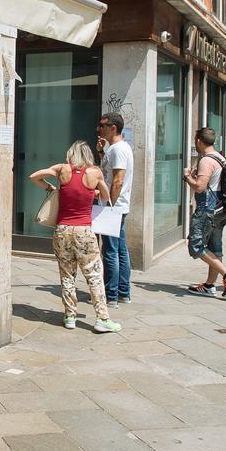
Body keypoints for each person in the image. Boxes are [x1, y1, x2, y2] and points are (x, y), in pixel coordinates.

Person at [29, 141, 121, 333]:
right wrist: (94, 191)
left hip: (62, 230)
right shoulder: (94, 172)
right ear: (88, 155)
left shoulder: (62, 169)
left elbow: (34, 177)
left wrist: (50, 188)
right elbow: (105, 197)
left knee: (67, 274)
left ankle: (70, 316)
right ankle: (102, 318)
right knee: (94, 275)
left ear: (70, 153)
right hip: (84, 231)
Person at [184, 128, 226, 298]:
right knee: (215, 247)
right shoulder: (221, 157)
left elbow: (200, 187)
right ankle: (210, 285)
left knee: (195, 245)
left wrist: (187, 177)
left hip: (207, 209)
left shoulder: (206, 161)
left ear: (199, 141)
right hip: (221, 207)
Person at [97, 112, 134, 306]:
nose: (99, 129)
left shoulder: (119, 149)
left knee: (111, 251)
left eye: (103, 125)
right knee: (120, 249)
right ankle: (123, 292)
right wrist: (102, 153)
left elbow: (117, 180)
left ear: (113, 128)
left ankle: (111, 295)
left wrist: (110, 205)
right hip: (118, 206)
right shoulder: (115, 149)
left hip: (114, 206)